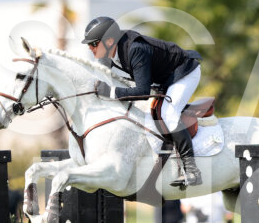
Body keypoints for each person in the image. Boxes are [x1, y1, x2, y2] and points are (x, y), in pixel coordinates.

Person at [81, 17, 203, 188]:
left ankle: (192, 169)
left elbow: (143, 93)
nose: (90, 48)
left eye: (94, 44)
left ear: (109, 41)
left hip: (184, 72)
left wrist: (111, 92)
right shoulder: (106, 55)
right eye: (89, 44)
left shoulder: (136, 49)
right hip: (164, 78)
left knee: (168, 113)